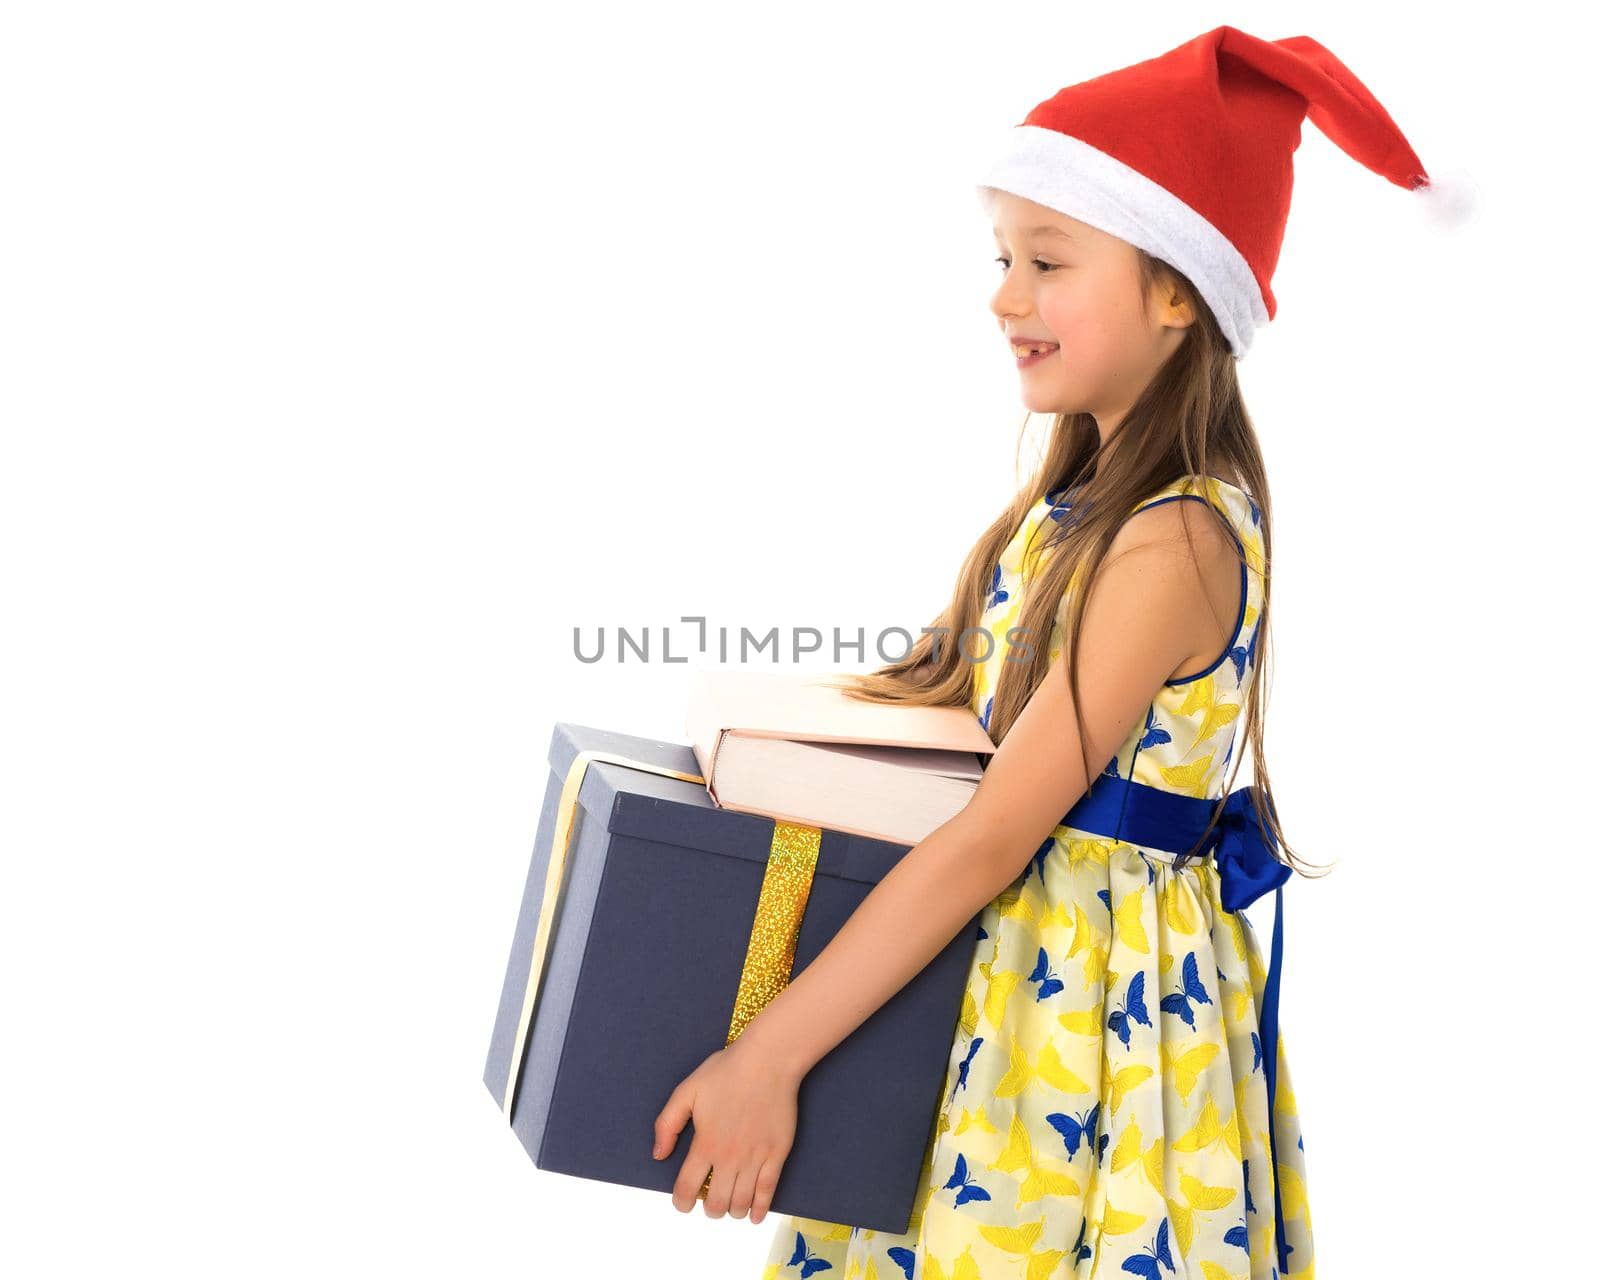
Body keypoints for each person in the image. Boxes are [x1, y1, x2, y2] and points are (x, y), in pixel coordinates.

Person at [652, 25, 1469, 1278]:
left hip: (1091, 1019)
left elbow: (990, 831)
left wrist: (771, 1052)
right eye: (1001, 256)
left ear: (1174, 288)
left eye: (1047, 259)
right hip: (997, 990)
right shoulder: (1066, 509)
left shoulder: (1175, 540)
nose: (1002, 294)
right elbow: (923, 711)